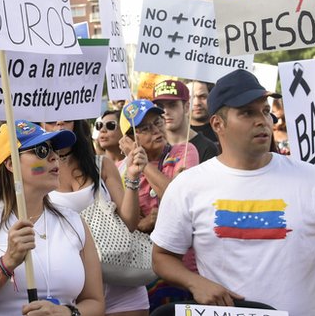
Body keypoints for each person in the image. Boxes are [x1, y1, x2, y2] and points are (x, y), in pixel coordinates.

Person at [151, 69, 315, 316]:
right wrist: (195, 283)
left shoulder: (311, 179)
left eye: (264, 110)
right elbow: (162, 257)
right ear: (218, 123)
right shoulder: (189, 186)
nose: (262, 120)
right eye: (247, 112)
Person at [0, 121, 104, 315]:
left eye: (54, 149)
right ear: (11, 163)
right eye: (42, 150)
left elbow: (95, 302)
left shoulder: (74, 222)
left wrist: (67, 312)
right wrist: (7, 263)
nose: (55, 157)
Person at [49, 120, 147, 316]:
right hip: (72, 290)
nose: (59, 122)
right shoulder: (36, 172)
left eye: (66, 117)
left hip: (119, 279)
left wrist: (133, 178)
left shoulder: (101, 164)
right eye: (51, 120)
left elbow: (129, 222)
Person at [119, 99, 199, 235]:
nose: (156, 130)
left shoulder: (184, 151)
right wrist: (140, 224)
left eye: (158, 122)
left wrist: (144, 165)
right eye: (145, 128)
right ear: (129, 139)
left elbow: (179, 199)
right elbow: (125, 224)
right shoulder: (122, 170)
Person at [152, 79, 217, 163]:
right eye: (160, 106)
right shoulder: (152, 145)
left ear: (186, 107)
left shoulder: (207, 148)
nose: (166, 112)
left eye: (172, 105)